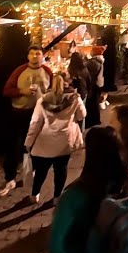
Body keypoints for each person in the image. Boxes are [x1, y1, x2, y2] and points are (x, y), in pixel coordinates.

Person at [0, 46, 52, 198]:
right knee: (13, 145)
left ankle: (33, 174)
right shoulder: (19, 71)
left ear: (42, 56)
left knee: (36, 146)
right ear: (28, 56)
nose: (35, 56)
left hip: (38, 114)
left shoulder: (47, 72)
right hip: (19, 113)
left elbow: (52, 91)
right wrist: (22, 91)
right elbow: (6, 91)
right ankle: (10, 178)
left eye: (38, 53)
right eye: (32, 53)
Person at [25, 74, 87, 206]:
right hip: (65, 140)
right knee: (61, 170)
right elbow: (82, 115)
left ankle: (34, 194)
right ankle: (57, 196)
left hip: (46, 141)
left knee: (41, 170)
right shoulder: (75, 98)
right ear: (68, 82)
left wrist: (28, 142)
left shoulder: (42, 101)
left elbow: (35, 123)